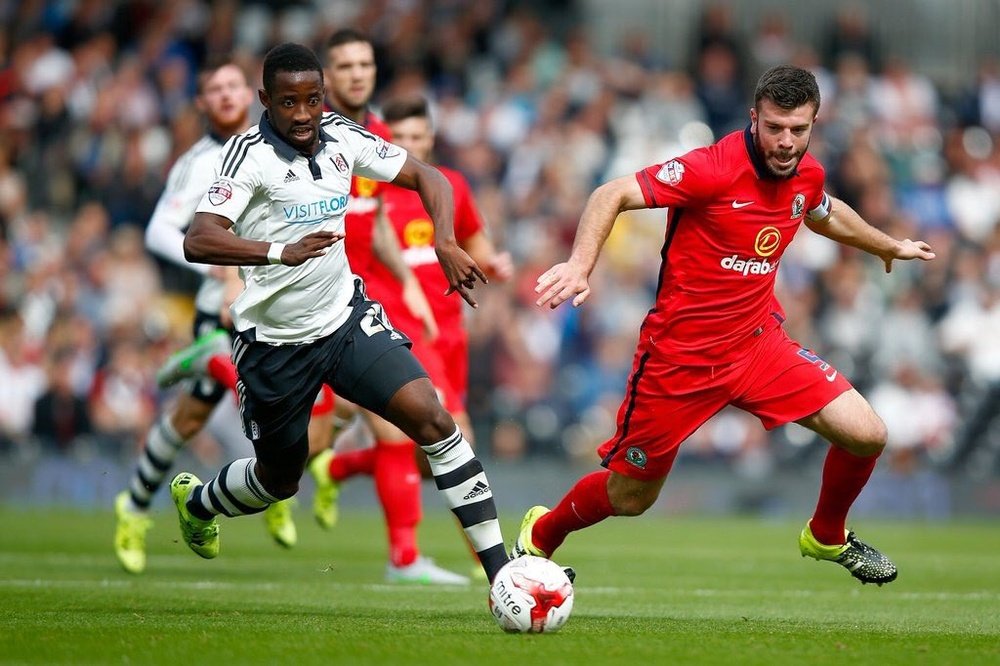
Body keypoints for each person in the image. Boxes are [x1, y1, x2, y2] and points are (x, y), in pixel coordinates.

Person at [512, 65, 935, 586]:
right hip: (679, 358)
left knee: (867, 435)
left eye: (798, 130)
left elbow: (821, 211)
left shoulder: (807, 173)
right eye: (775, 128)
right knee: (631, 496)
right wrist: (579, 266)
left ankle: (826, 535)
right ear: (753, 118)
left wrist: (886, 245)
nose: (786, 142)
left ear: (814, 124)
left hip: (759, 347)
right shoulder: (710, 169)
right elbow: (611, 194)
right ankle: (540, 535)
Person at [170, 42, 509, 585]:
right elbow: (200, 238)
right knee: (280, 479)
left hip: (343, 321)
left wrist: (445, 239)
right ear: (265, 100)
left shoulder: (342, 137)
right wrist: (281, 250)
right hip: (273, 343)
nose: (302, 114)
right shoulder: (246, 157)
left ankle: (502, 575)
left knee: (436, 422)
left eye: (311, 99)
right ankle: (201, 503)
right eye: (287, 102)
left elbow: (431, 176)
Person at [312, 95, 513, 581]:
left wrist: (493, 262)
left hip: (449, 333)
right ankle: (495, 570)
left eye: (418, 138)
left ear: (431, 140)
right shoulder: (370, 195)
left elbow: (476, 242)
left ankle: (341, 468)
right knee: (455, 438)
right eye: (399, 139)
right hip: (399, 325)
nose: (409, 147)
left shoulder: (450, 189)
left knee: (429, 452)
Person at [113, 60, 274, 574]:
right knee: (195, 416)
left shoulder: (275, 147)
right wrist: (214, 267)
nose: (225, 95)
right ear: (201, 103)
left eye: (232, 85)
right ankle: (135, 508)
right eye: (213, 89)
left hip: (275, 305)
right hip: (223, 309)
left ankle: (276, 485)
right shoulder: (198, 161)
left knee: (217, 412)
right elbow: (160, 231)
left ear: (249, 93)